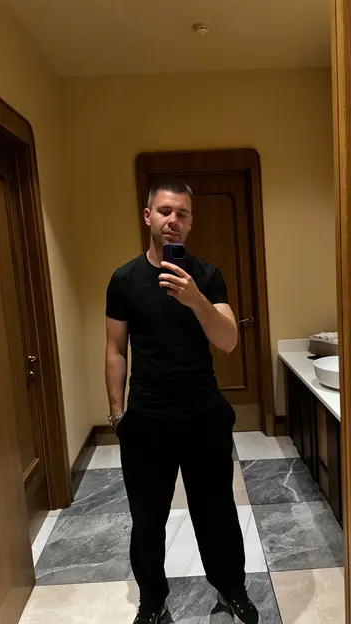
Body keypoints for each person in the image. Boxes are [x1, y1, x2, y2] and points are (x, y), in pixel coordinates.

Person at [105, 177, 259, 624]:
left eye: (182, 214)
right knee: (147, 520)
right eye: (165, 211)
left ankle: (231, 589)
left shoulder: (207, 276)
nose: (173, 220)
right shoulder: (123, 280)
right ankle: (153, 601)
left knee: (217, 514)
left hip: (203, 415)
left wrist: (195, 300)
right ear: (148, 216)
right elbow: (115, 349)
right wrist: (117, 413)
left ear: (191, 223)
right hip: (147, 418)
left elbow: (228, 340)